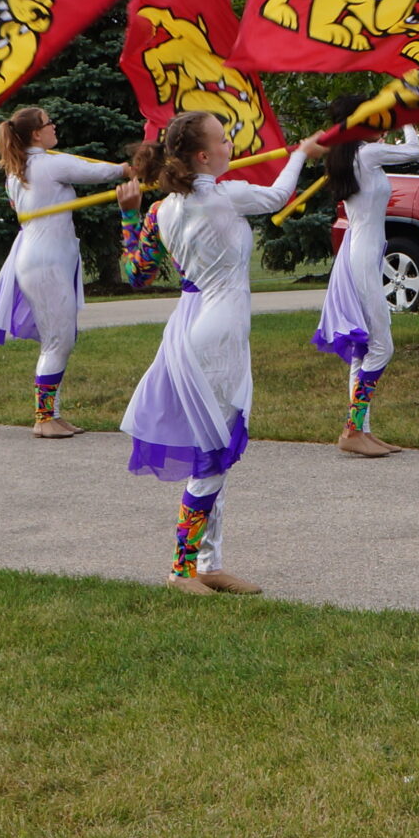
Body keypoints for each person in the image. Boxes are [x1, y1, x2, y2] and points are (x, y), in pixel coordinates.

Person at [117, 112, 315, 593]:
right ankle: (181, 569)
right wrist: (302, 154)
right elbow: (276, 197)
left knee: (217, 451)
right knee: (212, 453)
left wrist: (128, 213)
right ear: (202, 156)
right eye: (224, 140)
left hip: (190, 326)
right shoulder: (224, 196)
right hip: (217, 334)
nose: (232, 145)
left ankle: (208, 563)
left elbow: (134, 274)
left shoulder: (160, 210)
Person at [0, 106, 138, 437]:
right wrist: (129, 168)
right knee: (57, 341)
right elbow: (98, 172)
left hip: (44, 257)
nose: (54, 127)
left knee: (60, 338)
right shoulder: (48, 164)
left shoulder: (20, 170)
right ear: (36, 134)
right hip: (44, 261)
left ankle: (52, 414)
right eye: (49, 124)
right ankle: (44, 418)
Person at [310, 96, 419, 456]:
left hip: (363, 252)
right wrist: (406, 119)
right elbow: (413, 150)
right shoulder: (366, 154)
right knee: (382, 345)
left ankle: (363, 431)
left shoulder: (354, 154)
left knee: (364, 348)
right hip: (361, 255)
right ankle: (352, 429)